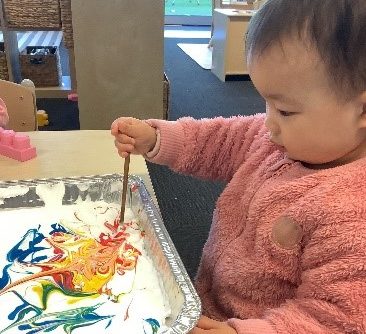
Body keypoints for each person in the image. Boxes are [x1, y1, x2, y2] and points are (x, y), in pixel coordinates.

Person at [111, 0, 366, 332]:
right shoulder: (277, 137)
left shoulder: (353, 212)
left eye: (285, 111)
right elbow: (216, 141)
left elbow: (334, 319)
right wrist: (155, 140)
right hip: (210, 303)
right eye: (265, 102)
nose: (270, 124)